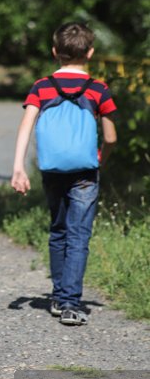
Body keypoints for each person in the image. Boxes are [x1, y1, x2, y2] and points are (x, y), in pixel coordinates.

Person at [11, 22, 117, 326]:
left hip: (51, 169)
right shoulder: (98, 89)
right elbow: (110, 137)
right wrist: (101, 159)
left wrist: (18, 167)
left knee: (58, 230)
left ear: (55, 52)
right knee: (78, 234)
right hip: (86, 170)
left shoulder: (42, 86)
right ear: (91, 52)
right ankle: (70, 304)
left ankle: (59, 297)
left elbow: (26, 125)